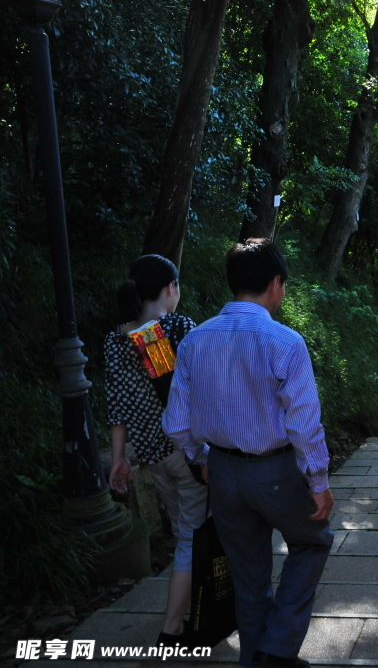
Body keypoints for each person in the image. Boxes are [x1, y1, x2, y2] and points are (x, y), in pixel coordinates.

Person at [163, 239, 334, 668]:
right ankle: (276, 650)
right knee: (312, 544)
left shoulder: (195, 340)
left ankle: (255, 659)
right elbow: (302, 422)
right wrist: (319, 481)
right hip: (275, 469)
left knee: (248, 573)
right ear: (276, 284)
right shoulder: (284, 341)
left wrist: (201, 459)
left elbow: (176, 422)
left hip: (221, 472)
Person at [105, 254, 207, 646]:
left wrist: (119, 460)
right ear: (170, 289)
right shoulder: (167, 331)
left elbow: (116, 409)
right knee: (192, 536)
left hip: (152, 458)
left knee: (186, 531)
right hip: (185, 453)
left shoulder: (116, 340)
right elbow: (186, 399)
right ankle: (174, 625)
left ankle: (193, 607)